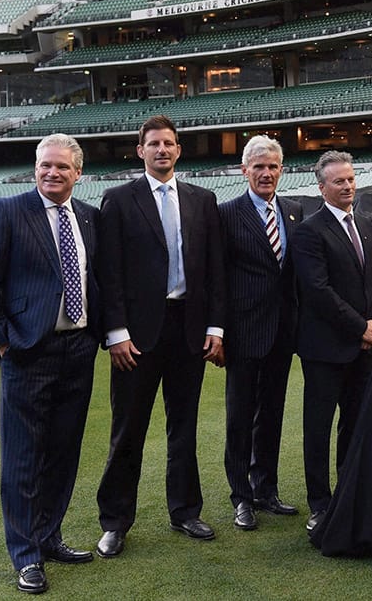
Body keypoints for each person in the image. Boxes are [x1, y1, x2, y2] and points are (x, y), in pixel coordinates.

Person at [0, 134, 100, 594]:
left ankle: (49, 537)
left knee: (63, 455)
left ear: (78, 172)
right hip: (28, 354)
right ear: (35, 167)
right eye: (45, 165)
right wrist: (2, 345)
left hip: (78, 351)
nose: (52, 173)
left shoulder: (87, 217)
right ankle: (25, 556)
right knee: (23, 460)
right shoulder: (6, 212)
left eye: (62, 167)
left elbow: (96, 278)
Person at [95, 115, 226, 557]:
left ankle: (185, 510)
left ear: (179, 149)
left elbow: (213, 272)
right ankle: (115, 521)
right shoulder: (118, 199)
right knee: (128, 430)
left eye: (169, 143)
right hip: (137, 336)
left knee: (183, 428)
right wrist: (115, 332)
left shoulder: (201, 200)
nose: (162, 150)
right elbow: (108, 273)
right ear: (140, 151)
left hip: (188, 329)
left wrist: (214, 327)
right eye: (154, 144)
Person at [294, 150, 372, 533]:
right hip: (325, 349)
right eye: (338, 181)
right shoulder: (309, 230)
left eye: (350, 179)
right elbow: (318, 291)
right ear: (322, 187)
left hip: (365, 347)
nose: (347, 186)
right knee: (318, 428)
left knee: (354, 425)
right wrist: (358, 328)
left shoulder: (366, 224)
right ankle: (320, 503)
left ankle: (350, 495)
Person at [219, 136, 303, 530]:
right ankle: (241, 496)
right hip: (243, 331)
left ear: (281, 169)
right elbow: (217, 278)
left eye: (272, 167)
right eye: (259, 167)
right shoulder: (227, 214)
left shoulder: (293, 210)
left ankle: (265, 488)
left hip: (282, 333)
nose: (266, 173)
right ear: (244, 171)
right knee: (240, 418)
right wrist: (218, 330)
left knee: (271, 413)